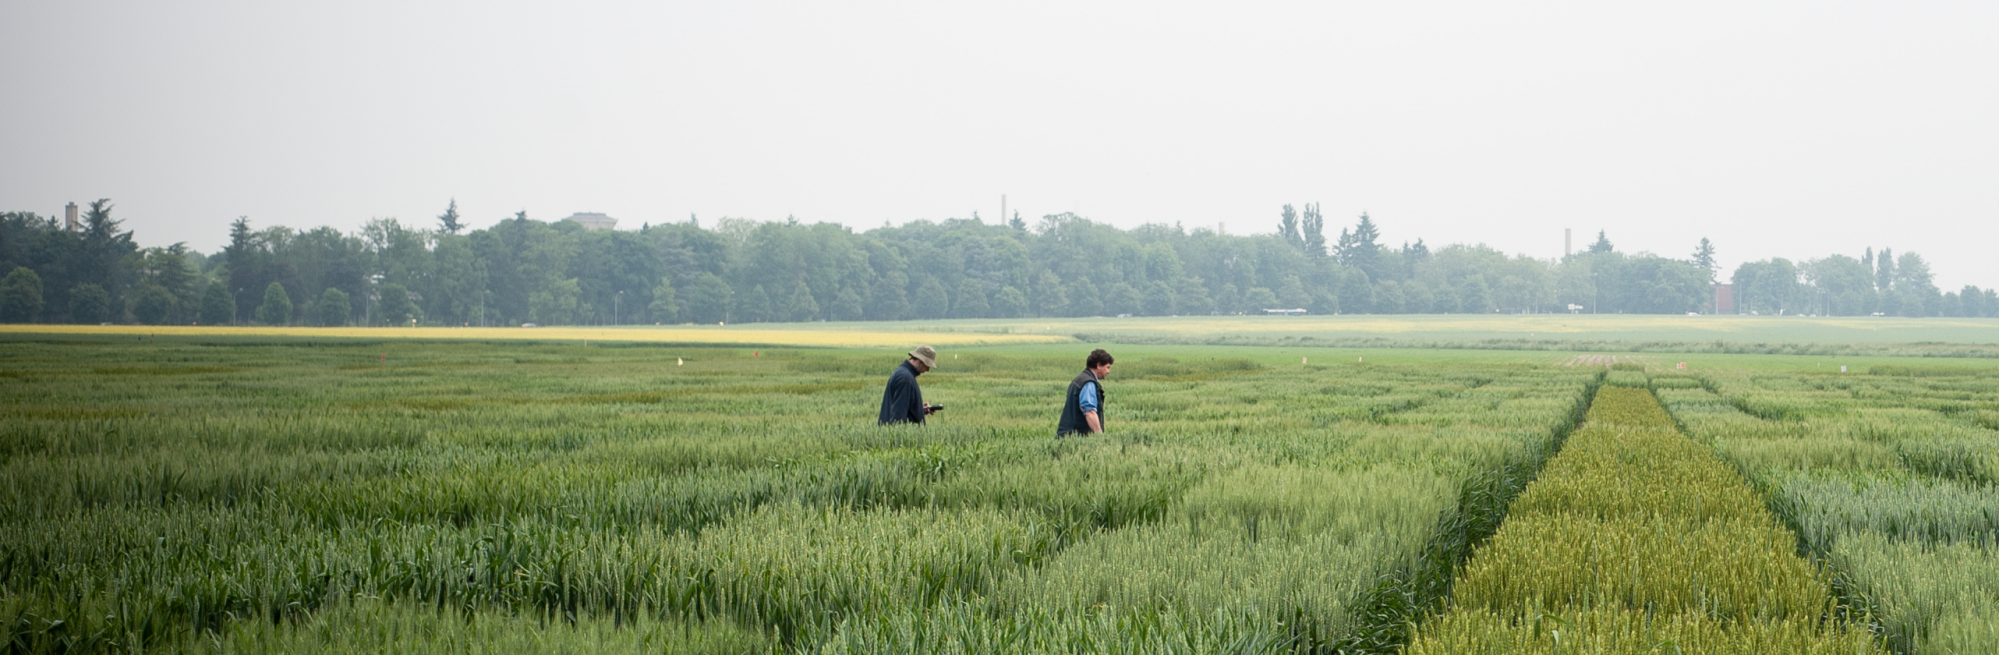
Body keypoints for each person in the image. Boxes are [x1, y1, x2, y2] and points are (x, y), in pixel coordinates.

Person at [1057, 349, 1114, 437]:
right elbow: (1089, 412)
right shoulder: (1088, 383)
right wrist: (1100, 437)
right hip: (1076, 437)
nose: (1108, 372)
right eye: (1107, 367)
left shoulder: (1079, 380)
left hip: (1068, 435)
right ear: (1098, 365)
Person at [878, 345, 937, 425]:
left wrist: (918, 408)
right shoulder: (905, 379)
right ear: (920, 361)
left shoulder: (903, 374)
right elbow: (897, 419)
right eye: (927, 365)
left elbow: (901, 407)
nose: (928, 370)